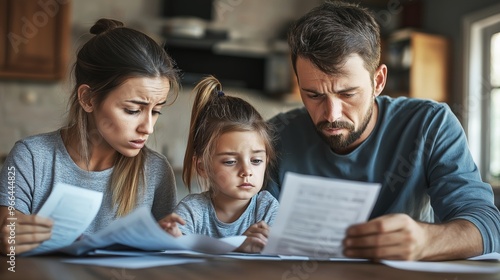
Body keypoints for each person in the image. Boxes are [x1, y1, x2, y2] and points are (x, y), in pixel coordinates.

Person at [267, 1, 500, 261]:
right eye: (313, 95)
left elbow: (487, 226)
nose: (331, 115)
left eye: (347, 94)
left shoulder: (430, 124)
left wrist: (425, 241)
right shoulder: (275, 135)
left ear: (378, 81)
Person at [0, 18, 183, 255]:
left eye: (156, 110)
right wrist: (8, 238)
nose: (148, 127)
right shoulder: (31, 157)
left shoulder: (156, 171)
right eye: (132, 110)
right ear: (88, 98)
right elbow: (9, 236)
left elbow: (164, 255)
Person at [159, 76, 279, 253]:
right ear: (202, 167)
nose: (247, 171)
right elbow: (177, 259)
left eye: (256, 161)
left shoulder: (267, 208)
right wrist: (170, 240)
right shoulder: (193, 210)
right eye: (230, 161)